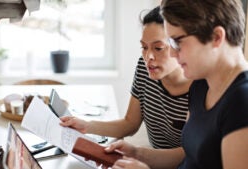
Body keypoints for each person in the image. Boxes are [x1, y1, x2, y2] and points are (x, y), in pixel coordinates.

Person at [106, 0, 248, 169]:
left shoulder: (242, 101)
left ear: (216, 37)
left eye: (177, 42)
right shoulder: (201, 85)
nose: (172, 52)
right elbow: (189, 157)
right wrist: (137, 154)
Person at [60, 6, 192, 150]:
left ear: (178, 45)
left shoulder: (200, 85)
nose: (148, 57)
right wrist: (86, 125)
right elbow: (130, 124)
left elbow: (189, 155)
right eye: (144, 47)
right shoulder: (145, 67)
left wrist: (137, 155)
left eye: (158, 48)